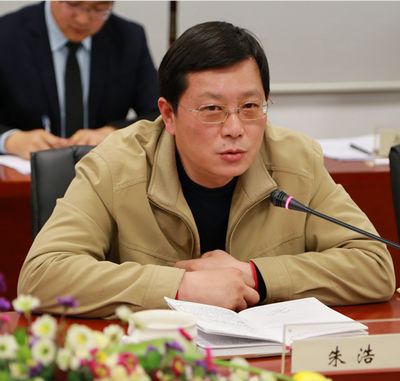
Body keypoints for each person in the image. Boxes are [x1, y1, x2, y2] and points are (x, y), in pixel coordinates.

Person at [18, 21, 395, 318]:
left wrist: (254, 275)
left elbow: (375, 266)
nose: (235, 128)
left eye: (251, 107)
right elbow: (42, 275)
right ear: (168, 114)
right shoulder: (115, 164)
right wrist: (180, 286)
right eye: (212, 109)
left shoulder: (296, 159)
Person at [0, 1, 159, 159]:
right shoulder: (7, 33)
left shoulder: (129, 38)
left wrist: (113, 133)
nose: (82, 19)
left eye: (98, 8)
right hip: (23, 170)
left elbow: (158, 113)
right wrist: (10, 140)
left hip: (102, 168)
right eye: (73, 4)